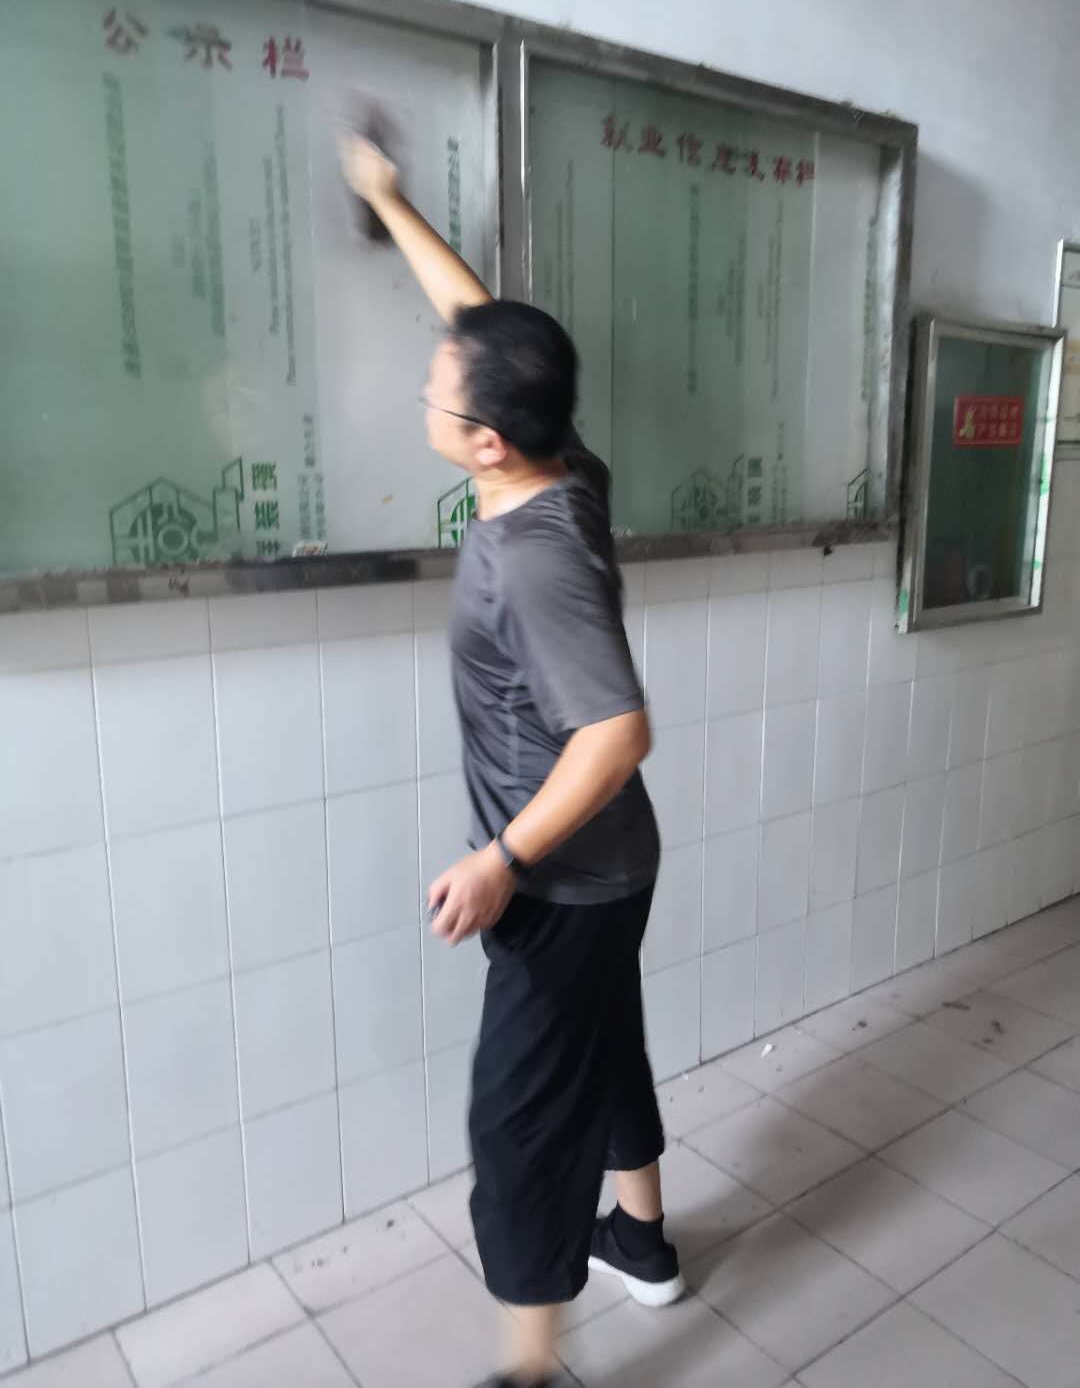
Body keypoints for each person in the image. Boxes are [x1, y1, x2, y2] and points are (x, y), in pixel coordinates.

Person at [340, 135, 684, 1388]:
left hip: (565, 877)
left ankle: (530, 1371)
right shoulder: (560, 466)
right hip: (613, 865)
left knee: (521, 1124)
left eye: (439, 398)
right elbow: (476, 323)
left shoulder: (534, 556)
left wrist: (503, 859)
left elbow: (617, 731)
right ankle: (640, 1236)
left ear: (487, 440)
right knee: (606, 1040)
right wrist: (390, 201)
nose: (427, 398)